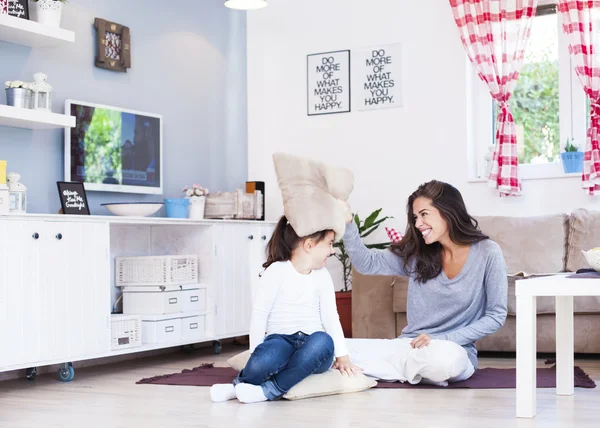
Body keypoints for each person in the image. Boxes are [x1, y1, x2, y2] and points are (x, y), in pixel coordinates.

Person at [344, 180, 507, 386]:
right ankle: (403, 368)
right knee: (335, 348)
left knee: (445, 361)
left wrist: (443, 339)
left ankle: (377, 368)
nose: (418, 223)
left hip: (453, 350)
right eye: (415, 217)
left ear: (447, 212)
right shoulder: (418, 254)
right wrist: (347, 223)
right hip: (409, 346)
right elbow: (366, 264)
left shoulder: (488, 252)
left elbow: (496, 315)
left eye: (424, 214)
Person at [210, 216, 362, 403]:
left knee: (323, 341)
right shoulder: (276, 271)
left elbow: (331, 317)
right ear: (309, 245)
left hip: (312, 345)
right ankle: (241, 386)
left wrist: (342, 356)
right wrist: (255, 355)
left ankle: (267, 390)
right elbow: (260, 315)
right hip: (280, 341)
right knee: (268, 356)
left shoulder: (322, 275)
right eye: (330, 244)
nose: (332, 251)